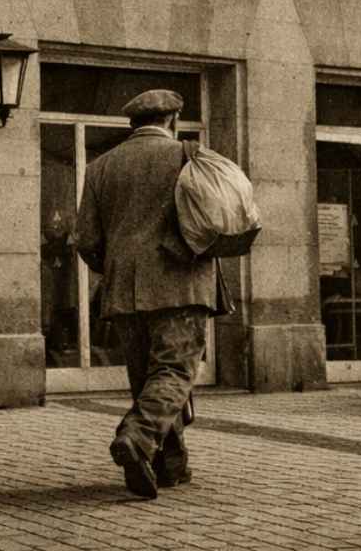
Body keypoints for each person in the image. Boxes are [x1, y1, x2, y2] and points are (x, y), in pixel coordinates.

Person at [75, 89, 227, 499]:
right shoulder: (190, 156)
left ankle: (170, 464)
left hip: (124, 291)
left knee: (148, 379)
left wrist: (117, 267)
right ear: (172, 119)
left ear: (133, 123)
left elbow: (86, 239)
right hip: (181, 284)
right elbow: (220, 218)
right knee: (174, 371)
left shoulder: (100, 167)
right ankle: (137, 437)